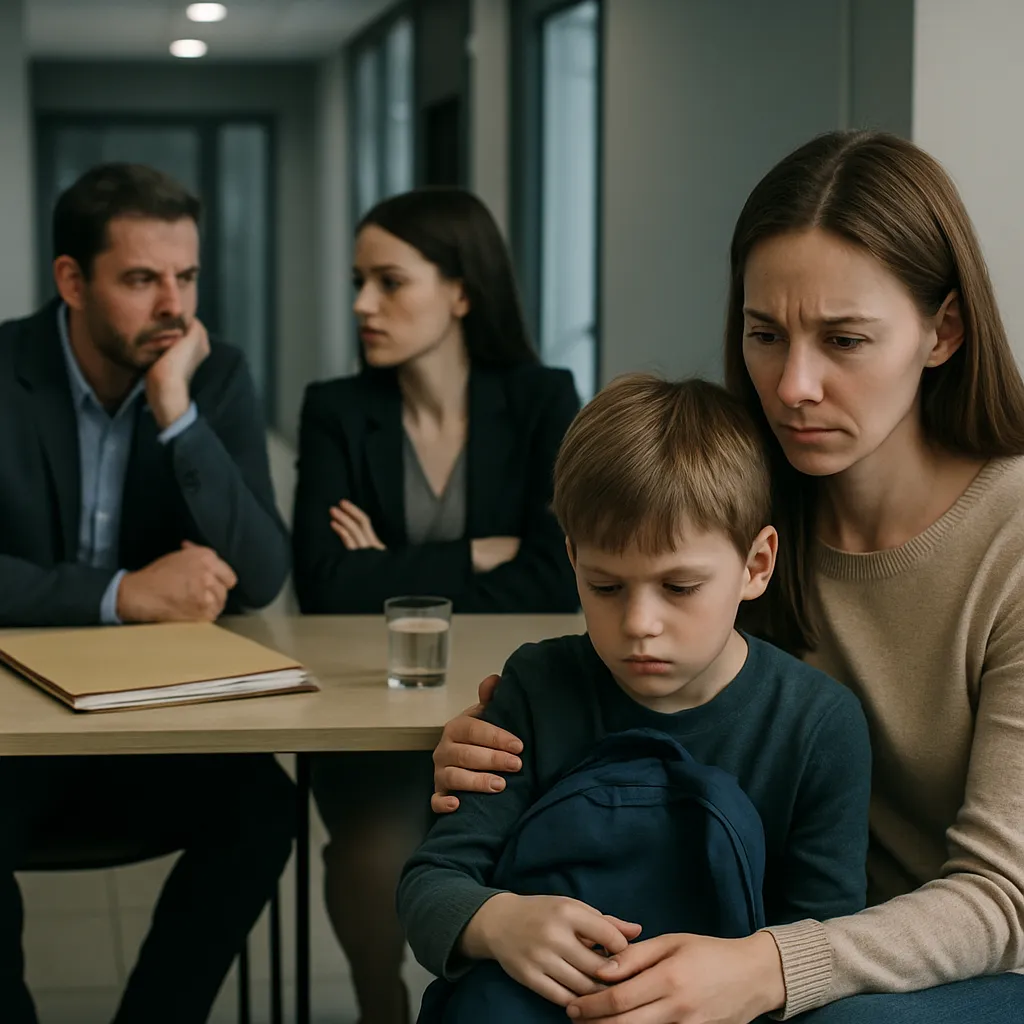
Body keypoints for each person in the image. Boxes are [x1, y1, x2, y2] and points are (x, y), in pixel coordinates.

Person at [429, 130, 1024, 1024]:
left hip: (946, 960)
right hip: (744, 931)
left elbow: (1001, 898)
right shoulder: (727, 504)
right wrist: (496, 754)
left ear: (942, 332)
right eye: (763, 334)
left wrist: (774, 967)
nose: (793, 385)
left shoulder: (1011, 538)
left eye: (846, 339)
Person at [397, 374, 871, 1019]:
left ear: (756, 566)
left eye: (679, 588)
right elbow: (431, 885)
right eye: (606, 587)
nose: (639, 623)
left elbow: (821, 948)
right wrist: (498, 920)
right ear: (572, 560)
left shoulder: (817, 725)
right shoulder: (538, 686)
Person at [0, 163, 295, 1024]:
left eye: (187, 277)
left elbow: (264, 573)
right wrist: (121, 592)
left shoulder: (214, 376)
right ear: (71, 281)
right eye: (141, 279)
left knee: (264, 809)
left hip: (153, 722)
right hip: (15, 728)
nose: (174, 304)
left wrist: (177, 414)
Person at [291, 187, 580, 1024]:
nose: (361, 305)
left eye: (388, 282)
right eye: (358, 282)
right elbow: (323, 585)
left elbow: (556, 577)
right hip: (372, 699)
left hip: (509, 701)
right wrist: (475, 553)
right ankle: (381, 1005)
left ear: (461, 291)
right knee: (375, 854)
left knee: (519, 854)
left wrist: (389, 565)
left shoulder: (541, 399)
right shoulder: (337, 410)